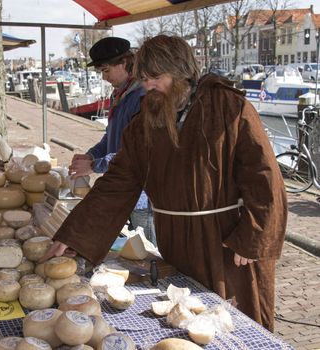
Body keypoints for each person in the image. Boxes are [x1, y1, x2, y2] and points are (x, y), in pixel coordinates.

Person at [42, 35, 287, 331]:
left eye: (156, 77)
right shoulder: (146, 119)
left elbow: (263, 175)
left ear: (181, 71)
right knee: (184, 319)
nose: (148, 86)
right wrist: (76, 236)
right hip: (176, 241)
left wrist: (253, 237)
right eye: (144, 79)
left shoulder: (228, 106)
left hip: (226, 241)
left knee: (232, 323)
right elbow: (119, 182)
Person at [69, 37, 155, 245]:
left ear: (124, 63)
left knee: (148, 254)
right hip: (121, 189)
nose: (104, 77)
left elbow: (139, 151)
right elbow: (111, 137)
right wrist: (91, 155)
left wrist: (94, 165)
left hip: (141, 195)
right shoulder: (120, 94)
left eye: (106, 70)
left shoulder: (142, 97)